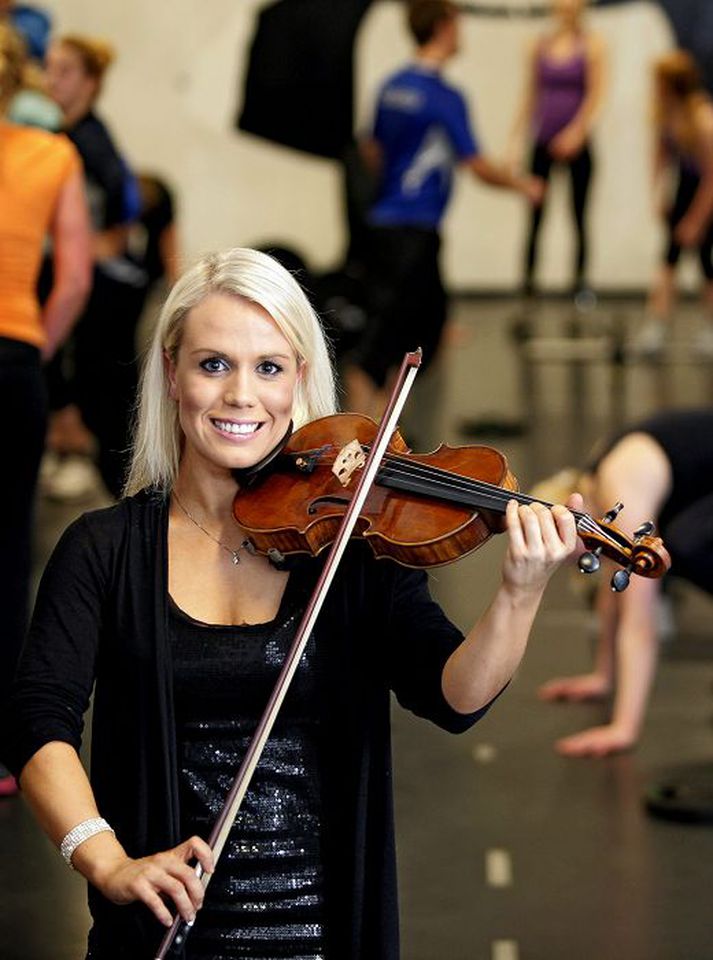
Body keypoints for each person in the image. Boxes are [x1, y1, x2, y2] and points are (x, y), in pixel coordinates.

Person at [3, 248, 579, 958]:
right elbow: (38, 721)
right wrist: (106, 860)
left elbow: (452, 695)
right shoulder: (104, 549)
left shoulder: (352, 540)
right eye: (213, 364)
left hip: (326, 931)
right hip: (159, 929)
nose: (242, 395)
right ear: (171, 376)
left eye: (268, 367)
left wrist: (520, 593)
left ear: (300, 380)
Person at [344, 0, 543, 419]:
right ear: (442, 27)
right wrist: (521, 183)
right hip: (413, 229)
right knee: (405, 333)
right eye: (457, 24)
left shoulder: (390, 86)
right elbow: (476, 164)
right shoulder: (444, 97)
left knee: (419, 325)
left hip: (386, 225)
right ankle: (366, 421)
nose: (462, 33)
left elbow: (371, 149)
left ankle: (382, 425)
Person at [0, 21, 91, 795]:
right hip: (13, 365)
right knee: (7, 555)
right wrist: (31, 345)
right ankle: (6, 752)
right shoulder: (53, 153)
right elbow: (74, 281)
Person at [533, 408, 713, 758]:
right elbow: (611, 589)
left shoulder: (621, 494)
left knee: (686, 545)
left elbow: (639, 621)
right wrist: (603, 676)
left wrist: (623, 729)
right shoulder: (597, 487)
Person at [41, 33, 143, 500]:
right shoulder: (61, 134)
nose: (51, 81)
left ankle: (93, 459)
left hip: (100, 287)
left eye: (64, 72)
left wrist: (102, 244)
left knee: (99, 383)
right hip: (79, 273)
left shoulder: (89, 141)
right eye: (50, 68)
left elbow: (127, 202)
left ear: (90, 82)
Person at [507, 0, 606, 298]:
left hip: (577, 144)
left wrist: (576, 133)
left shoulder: (592, 45)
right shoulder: (539, 44)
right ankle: (528, 282)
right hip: (542, 141)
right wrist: (514, 140)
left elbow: (596, 95)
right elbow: (530, 95)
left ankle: (579, 284)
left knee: (579, 214)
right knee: (536, 213)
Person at [631, 51, 713, 357]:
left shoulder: (703, 118)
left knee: (707, 263)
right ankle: (657, 327)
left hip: (706, 190)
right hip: (685, 185)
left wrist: (696, 220)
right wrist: (658, 192)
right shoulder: (666, 113)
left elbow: (711, 177)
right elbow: (661, 155)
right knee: (668, 260)